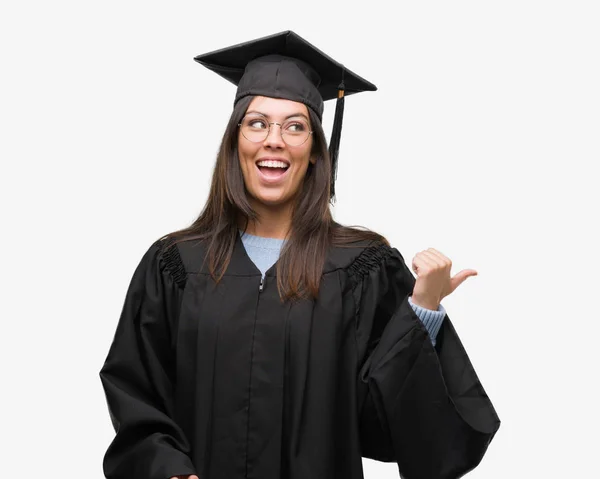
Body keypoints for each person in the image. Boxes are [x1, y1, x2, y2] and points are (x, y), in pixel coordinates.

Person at [99, 30, 501, 479]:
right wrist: (169, 470)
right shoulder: (174, 265)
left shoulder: (362, 269)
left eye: (295, 126)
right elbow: (137, 390)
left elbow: (386, 424)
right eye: (257, 123)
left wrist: (422, 310)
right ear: (235, 141)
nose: (274, 139)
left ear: (313, 151)